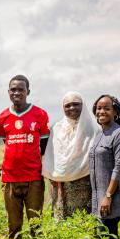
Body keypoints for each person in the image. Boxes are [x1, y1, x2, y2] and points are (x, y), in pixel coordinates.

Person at [0, 75, 50, 239]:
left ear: (28, 91)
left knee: (36, 224)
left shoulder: (40, 114)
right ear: (8, 92)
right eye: (13, 89)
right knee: (14, 226)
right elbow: (8, 143)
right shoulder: (2, 117)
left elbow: (44, 145)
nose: (17, 92)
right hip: (10, 179)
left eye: (21, 89)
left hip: (33, 178)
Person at [42, 91, 99, 220]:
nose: (71, 108)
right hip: (60, 183)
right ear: (63, 108)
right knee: (62, 220)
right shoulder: (57, 128)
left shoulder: (92, 128)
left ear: (82, 106)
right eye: (67, 105)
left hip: (84, 182)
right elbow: (51, 154)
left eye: (76, 104)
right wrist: (54, 173)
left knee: (83, 219)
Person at [89, 94, 120, 239]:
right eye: (98, 108)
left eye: (106, 108)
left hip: (110, 196)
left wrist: (108, 196)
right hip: (98, 197)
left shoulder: (119, 134)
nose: (101, 111)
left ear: (115, 112)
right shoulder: (99, 134)